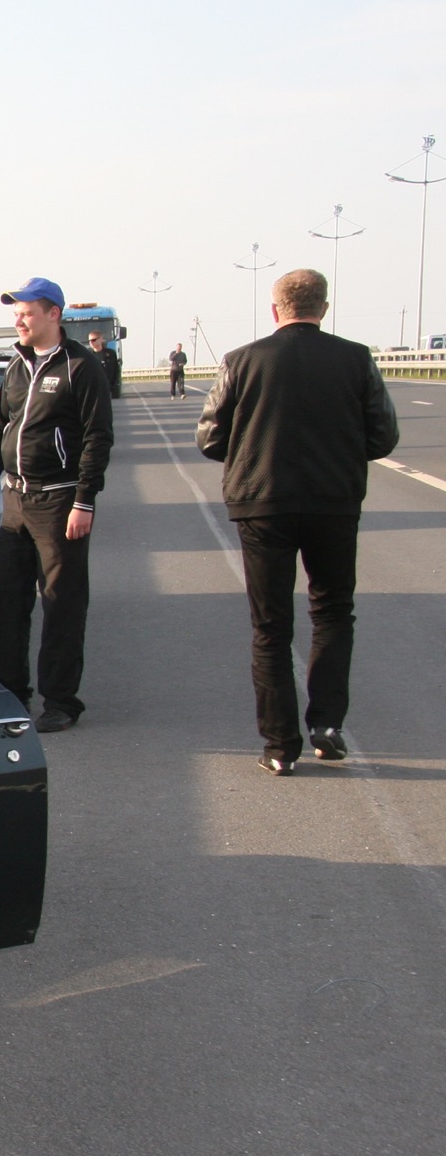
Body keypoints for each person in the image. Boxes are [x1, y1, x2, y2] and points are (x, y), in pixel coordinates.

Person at [196, 269, 400, 776]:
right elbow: (384, 435)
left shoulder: (242, 360)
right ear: (324, 308)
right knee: (332, 612)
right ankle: (327, 726)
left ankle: (279, 745)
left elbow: (210, 438)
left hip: (262, 503)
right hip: (334, 502)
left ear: (275, 309)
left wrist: (249, 452)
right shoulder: (356, 358)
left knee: (270, 627)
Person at [0, 278, 114, 732]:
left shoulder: (81, 366)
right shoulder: (15, 366)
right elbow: (0, 426)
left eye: (26, 313)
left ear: (53, 314)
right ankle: (8, 693)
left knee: (62, 604)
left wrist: (85, 501)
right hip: (13, 499)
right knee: (6, 605)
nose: (18, 321)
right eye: (15, 314)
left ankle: (60, 701)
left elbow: (98, 437)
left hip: (60, 500)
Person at [88, 331, 123, 398]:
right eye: (89, 341)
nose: (91, 343)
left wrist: (114, 385)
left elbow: (116, 370)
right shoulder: (88, 355)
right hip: (94, 389)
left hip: (107, 387)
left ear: (100, 339)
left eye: (93, 340)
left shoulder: (111, 353)